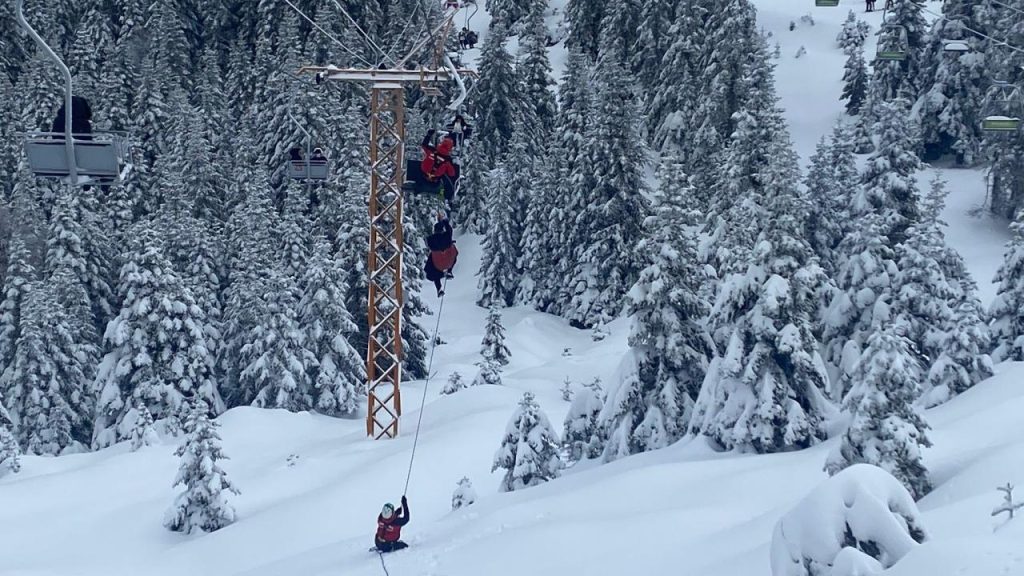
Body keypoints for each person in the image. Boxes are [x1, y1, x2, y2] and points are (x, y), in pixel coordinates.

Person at [404, 129, 459, 203]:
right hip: (435, 182)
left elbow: (424, 145)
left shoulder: (432, 150)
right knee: (445, 178)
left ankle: (417, 189)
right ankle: (442, 194)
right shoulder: (447, 160)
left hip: (421, 178)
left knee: (419, 165)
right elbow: (452, 173)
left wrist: (429, 135)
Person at [424, 214, 458, 297]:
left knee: (432, 268)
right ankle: (449, 271)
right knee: (455, 252)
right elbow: (449, 229)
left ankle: (439, 288)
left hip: (437, 264)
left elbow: (427, 243)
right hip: (449, 261)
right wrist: (443, 221)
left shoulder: (430, 239)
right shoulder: (447, 236)